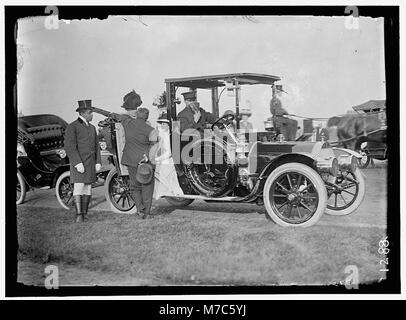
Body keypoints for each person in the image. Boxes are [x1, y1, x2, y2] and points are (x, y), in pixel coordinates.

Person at [110, 91, 158, 218]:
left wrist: (111, 114)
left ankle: (140, 209)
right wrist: (148, 156)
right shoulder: (150, 129)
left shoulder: (127, 122)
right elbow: (154, 146)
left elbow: (117, 116)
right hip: (144, 160)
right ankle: (146, 213)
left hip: (131, 159)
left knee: (135, 186)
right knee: (147, 186)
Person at [64, 100, 101, 223]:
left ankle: (85, 214)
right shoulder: (72, 126)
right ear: (84, 113)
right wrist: (77, 163)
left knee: (88, 188)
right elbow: (70, 147)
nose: (92, 115)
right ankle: (79, 215)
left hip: (90, 163)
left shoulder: (92, 127)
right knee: (79, 187)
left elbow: (96, 147)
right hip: (79, 163)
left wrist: (98, 162)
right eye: (91, 113)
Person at [152, 115, 184, 200]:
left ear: (168, 125)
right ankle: (172, 192)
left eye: (163, 124)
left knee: (160, 175)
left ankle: (167, 192)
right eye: (161, 124)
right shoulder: (163, 135)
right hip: (166, 160)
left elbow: (168, 153)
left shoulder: (168, 136)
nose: (162, 126)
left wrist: (157, 159)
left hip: (168, 161)